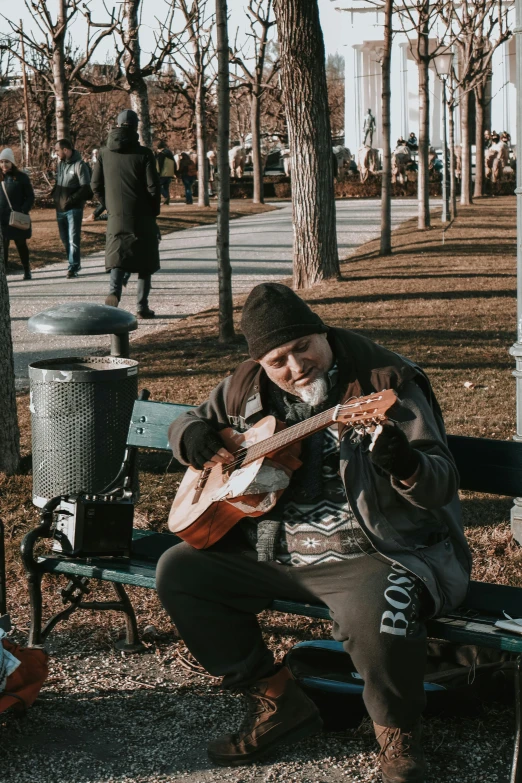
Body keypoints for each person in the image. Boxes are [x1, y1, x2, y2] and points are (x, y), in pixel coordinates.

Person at [157, 283, 472, 782]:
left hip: (372, 553)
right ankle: (279, 700)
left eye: (303, 347)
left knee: (377, 609)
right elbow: (192, 422)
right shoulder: (245, 384)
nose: (296, 367)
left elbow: (441, 484)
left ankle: (398, 740)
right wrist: (188, 436)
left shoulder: (387, 380)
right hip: (273, 551)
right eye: (278, 360)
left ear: (321, 332)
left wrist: (404, 463)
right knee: (180, 571)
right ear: (261, 364)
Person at [92, 109, 161, 319]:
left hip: (116, 217)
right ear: (135, 127)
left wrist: (109, 206)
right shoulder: (145, 153)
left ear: (117, 125)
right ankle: (142, 307)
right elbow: (153, 188)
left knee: (118, 257)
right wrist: (153, 211)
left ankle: (114, 291)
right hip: (142, 216)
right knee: (145, 262)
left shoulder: (103, 153)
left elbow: (95, 184)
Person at [53, 139, 92, 279]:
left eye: (57, 150)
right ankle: (73, 262)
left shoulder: (79, 165)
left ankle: (73, 266)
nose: (56, 153)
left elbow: (85, 188)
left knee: (73, 239)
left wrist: (71, 201)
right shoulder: (60, 165)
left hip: (73, 209)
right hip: (60, 209)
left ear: (65, 150)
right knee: (65, 239)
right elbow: (59, 183)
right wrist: (54, 194)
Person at [0, 148, 35, 280]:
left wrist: (23, 210)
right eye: (2, 162)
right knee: (3, 247)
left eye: (7, 162)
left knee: (21, 244)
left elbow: (30, 197)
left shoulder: (21, 178)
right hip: (2, 219)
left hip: (16, 218)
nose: (4, 165)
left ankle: (27, 269)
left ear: (12, 162)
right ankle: (4, 272)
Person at [155, 140, 176, 206]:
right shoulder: (170, 153)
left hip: (163, 173)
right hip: (169, 172)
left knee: (157, 185)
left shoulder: (162, 154)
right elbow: (174, 163)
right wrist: (174, 171)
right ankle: (166, 201)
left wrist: (158, 172)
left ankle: (166, 196)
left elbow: (160, 164)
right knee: (166, 187)